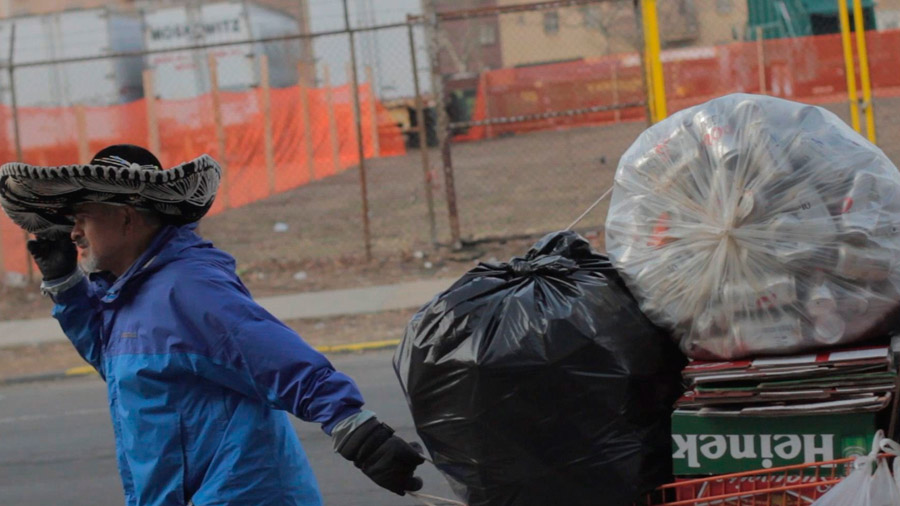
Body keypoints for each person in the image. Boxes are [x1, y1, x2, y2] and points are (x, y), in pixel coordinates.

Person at [0, 145, 424, 506]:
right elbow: (116, 363)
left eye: (83, 217)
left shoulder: (186, 288)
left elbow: (276, 358)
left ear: (127, 218)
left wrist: (360, 432)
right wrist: (67, 288)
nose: (72, 232)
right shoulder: (127, 295)